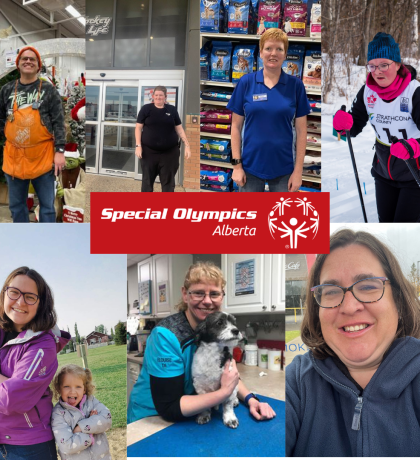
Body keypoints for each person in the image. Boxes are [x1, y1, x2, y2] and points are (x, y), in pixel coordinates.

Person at [286, 229, 420, 457]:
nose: (349, 307)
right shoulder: (298, 382)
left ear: (397, 299)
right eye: (330, 291)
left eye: (368, 286)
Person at [127, 262, 276, 424]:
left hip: (190, 411)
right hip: (151, 419)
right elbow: (168, 407)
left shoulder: (218, 334)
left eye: (214, 294)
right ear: (185, 294)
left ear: (222, 296)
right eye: (198, 293)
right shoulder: (165, 336)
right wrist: (224, 393)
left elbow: (227, 376)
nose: (207, 301)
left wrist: (251, 399)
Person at [333, 33, 420, 222]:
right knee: (386, 227)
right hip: (383, 173)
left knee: (404, 230)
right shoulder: (368, 91)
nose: (377, 71)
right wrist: (342, 125)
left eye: (384, 65)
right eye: (372, 66)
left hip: (414, 174)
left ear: (397, 65)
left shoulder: (414, 92)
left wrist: (414, 146)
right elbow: (352, 127)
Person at [226, 28, 310, 192]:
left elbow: (301, 130)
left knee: (282, 216)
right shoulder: (246, 83)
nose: (274, 53)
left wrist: (298, 171)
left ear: (285, 54)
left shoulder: (296, 86)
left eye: (279, 49)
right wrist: (237, 165)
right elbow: (235, 127)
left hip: (285, 168)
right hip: (249, 167)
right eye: (268, 48)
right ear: (261, 52)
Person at [0, 267, 70, 459]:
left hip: (27, 447)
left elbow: (11, 399)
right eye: (14, 292)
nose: (20, 301)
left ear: (41, 304)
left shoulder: (43, 344)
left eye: (30, 296)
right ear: (4, 294)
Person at [0, 46, 66, 222]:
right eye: (24, 59)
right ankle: (23, 243)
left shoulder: (48, 90)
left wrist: (59, 151)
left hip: (42, 156)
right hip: (14, 157)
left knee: (47, 206)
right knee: (16, 206)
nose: (28, 61)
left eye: (32, 59)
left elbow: (59, 121)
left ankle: (46, 244)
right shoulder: (6, 90)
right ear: (18, 64)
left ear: (38, 66)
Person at [135, 86, 191, 192]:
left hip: (169, 154)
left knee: (168, 183)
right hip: (149, 153)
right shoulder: (146, 109)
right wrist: (138, 145)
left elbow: (179, 129)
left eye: (161, 95)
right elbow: (138, 127)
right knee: (147, 181)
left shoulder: (172, 110)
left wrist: (187, 145)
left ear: (165, 97)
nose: (158, 97)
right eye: (156, 95)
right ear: (152, 96)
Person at [52, 364, 112, 460]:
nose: (73, 391)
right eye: (67, 386)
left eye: (78, 387)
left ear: (84, 389)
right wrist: (90, 431)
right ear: (59, 388)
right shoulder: (58, 413)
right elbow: (67, 446)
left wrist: (80, 428)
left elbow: (107, 419)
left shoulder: (91, 401)